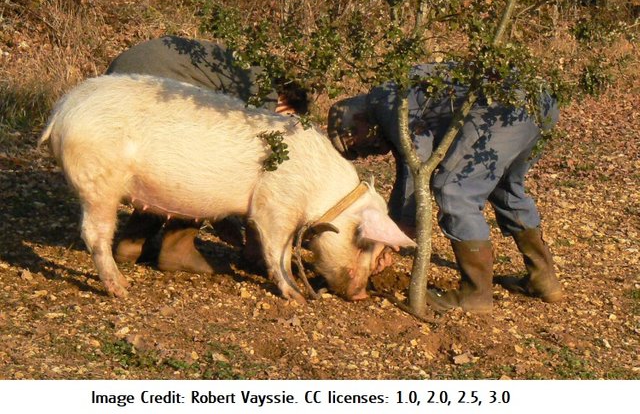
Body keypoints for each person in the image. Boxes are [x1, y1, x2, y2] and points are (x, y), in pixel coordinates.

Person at [327, 63, 563, 314]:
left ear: (356, 121)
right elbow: (408, 172)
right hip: (540, 101)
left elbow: (416, 164)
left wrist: (395, 234)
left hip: (506, 104)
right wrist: (395, 228)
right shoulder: (390, 97)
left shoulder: (384, 103)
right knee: (505, 188)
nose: (365, 154)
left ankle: (475, 295)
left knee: (454, 190)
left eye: (354, 146)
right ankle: (544, 281)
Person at [106, 35, 308, 274]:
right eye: (288, 118)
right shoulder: (265, 96)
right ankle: (177, 250)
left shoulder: (250, 72)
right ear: (286, 104)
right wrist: (222, 218)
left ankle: (132, 243)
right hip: (149, 82)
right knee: (198, 162)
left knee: (163, 166)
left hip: (121, 78)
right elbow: (232, 166)